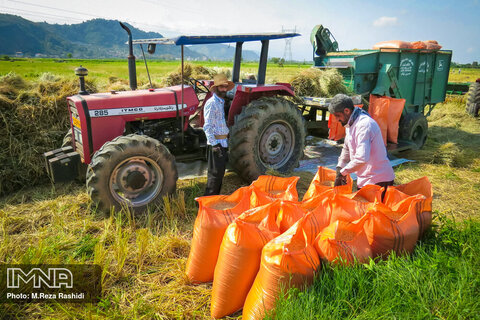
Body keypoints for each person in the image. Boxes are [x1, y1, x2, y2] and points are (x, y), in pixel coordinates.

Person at [329, 94, 395, 197]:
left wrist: (343, 173)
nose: (337, 120)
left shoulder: (364, 125)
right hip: (366, 179)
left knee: (375, 212)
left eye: (338, 116)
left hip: (378, 180)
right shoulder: (350, 124)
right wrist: (339, 167)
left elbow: (362, 158)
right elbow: (346, 148)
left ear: (347, 111)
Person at [203, 74, 235, 196]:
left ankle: (214, 199)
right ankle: (207, 202)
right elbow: (207, 126)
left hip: (222, 143)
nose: (224, 89)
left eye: (226, 87)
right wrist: (214, 144)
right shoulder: (212, 103)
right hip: (216, 144)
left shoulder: (220, 102)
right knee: (214, 176)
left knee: (219, 174)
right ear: (216, 88)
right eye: (221, 87)